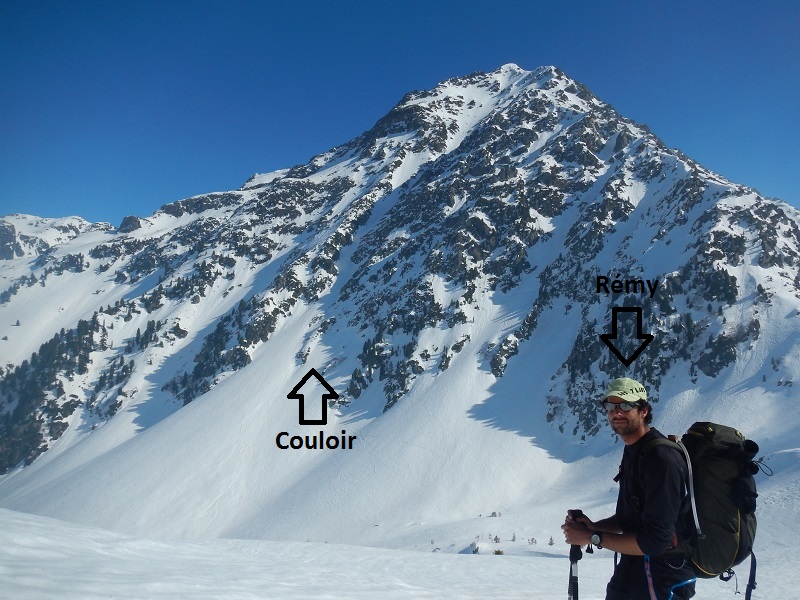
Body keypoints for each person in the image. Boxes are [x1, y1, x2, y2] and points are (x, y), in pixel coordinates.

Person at [561, 377, 696, 600]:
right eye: (611, 406)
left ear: (643, 410)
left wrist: (591, 536)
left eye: (625, 405)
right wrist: (594, 527)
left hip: (661, 579)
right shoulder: (635, 449)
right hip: (634, 572)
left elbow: (655, 541)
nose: (617, 412)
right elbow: (634, 516)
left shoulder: (661, 459)